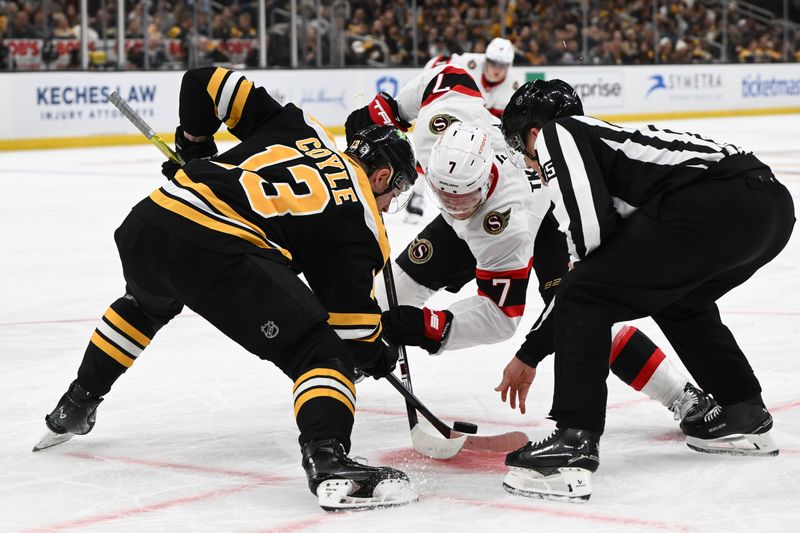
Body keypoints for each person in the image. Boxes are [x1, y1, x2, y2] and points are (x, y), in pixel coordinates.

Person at [34, 67, 419, 512]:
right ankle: (328, 461)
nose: (392, 203)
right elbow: (351, 331)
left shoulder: (302, 127)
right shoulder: (364, 220)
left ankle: (76, 404)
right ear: (382, 174)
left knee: (143, 306)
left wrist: (195, 147)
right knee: (320, 355)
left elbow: (202, 81)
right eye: (398, 190)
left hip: (151, 221)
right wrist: (378, 352)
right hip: (214, 248)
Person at [347, 69, 711, 436]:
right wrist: (391, 109)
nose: (455, 207)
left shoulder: (505, 224)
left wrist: (430, 328)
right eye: (445, 196)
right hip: (477, 222)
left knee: (583, 318)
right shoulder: (435, 129)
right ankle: (346, 364)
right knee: (387, 293)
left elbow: (501, 314)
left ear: (484, 181)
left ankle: (681, 395)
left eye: (463, 198)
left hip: (546, 219)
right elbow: (450, 76)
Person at [498, 78, 794, 502]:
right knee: (680, 300)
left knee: (585, 292)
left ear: (532, 131)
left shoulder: (558, 134)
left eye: (518, 143)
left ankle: (573, 443)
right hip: (770, 209)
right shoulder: (608, 145)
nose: (525, 159)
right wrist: (534, 350)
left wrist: (531, 351)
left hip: (717, 204)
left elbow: (590, 246)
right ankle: (743, 413)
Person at [405, 37, 521, 221]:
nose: (497, 69)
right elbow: (438, 64)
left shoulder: (514, 86)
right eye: (493, 62)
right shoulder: (469, 63)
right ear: (486, 59)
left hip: (482, 125)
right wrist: (426, 82)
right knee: (434, 149)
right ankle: (418, 195)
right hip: (456, 113)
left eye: (502, 65)